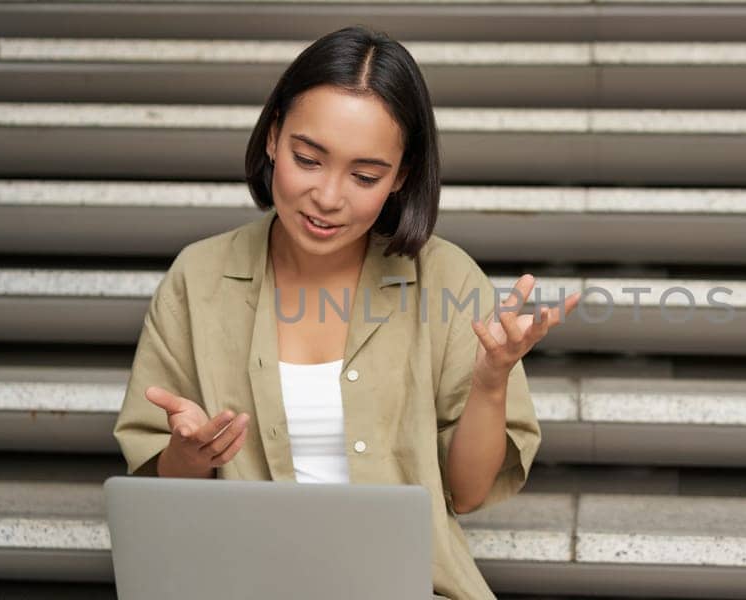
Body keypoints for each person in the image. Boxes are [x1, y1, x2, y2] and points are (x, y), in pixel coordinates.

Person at [112, 25, 580, 600]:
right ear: (273, 136)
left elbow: (469, 493)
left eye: (365, 176)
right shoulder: (199, 278)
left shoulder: (449, 279)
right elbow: (164, 497)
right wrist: (189, 454)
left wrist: (490, 382)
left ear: (401, 176)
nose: (329, 198)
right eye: (308, 159)